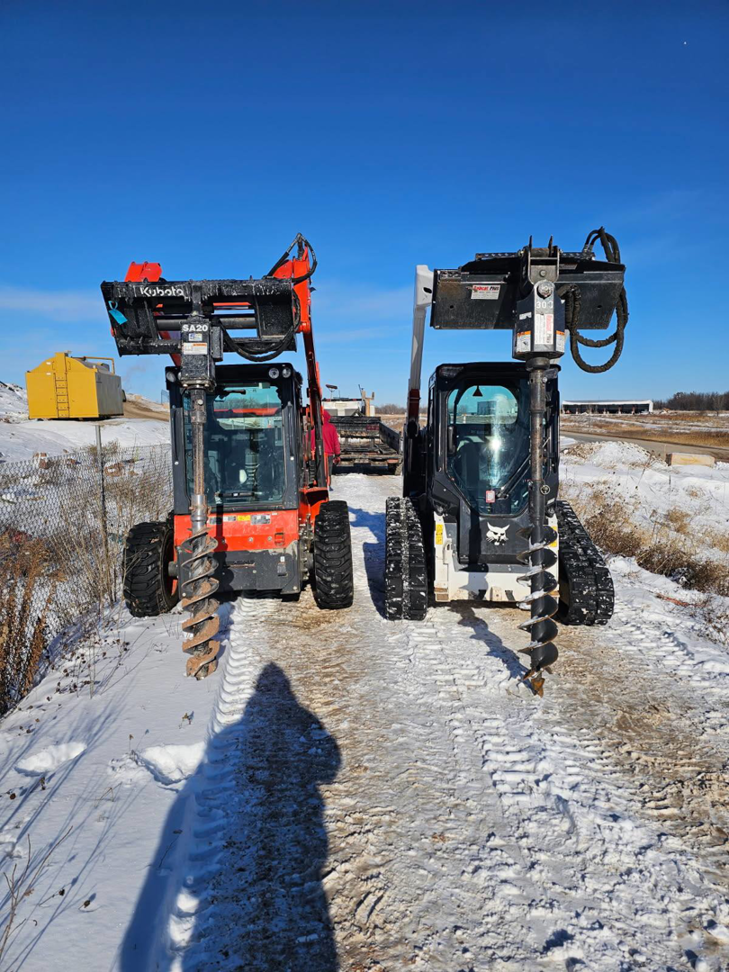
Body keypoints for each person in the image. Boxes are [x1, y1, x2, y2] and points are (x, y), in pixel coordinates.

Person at [310, 409, 341, 487]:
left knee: (316, 473)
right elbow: (336, 443)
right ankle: (327, 486)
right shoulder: (332, 428)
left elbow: (308, 441)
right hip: (329, 455)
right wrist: (337, 455)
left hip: (315, 455)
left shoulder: (314, 429)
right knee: (328, 473)